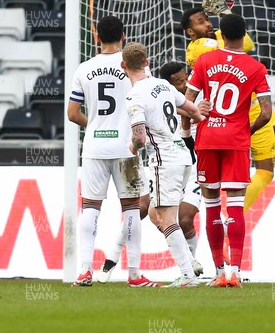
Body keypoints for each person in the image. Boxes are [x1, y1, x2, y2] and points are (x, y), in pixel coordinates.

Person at [67, 16, 158, 288]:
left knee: (91, 207)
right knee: (130, 209)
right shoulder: (135, 67)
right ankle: (134, 275)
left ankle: (84, 271)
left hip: (94, 147)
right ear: (123, 35)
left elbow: (72, 114)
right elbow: (150, 106)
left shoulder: (84, 69)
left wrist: (94, 125)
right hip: (127, 148)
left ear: (96, 35)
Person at [183, 13, 272, 288]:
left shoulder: (204, 61)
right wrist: (247, 129)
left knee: (210, 205)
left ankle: (218, 271)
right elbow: (267, 113)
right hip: (236, 141)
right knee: (234, 206)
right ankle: (235, 272)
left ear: (220, 33)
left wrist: (193, 124)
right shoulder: (256, 67)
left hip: (207, 140)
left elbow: (186, 102)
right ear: (244, 35)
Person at [182, 6, 275, 210]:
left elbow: (246, 42)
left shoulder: (217, 37)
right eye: (201, 22)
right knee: (264, 171)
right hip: (243, 112)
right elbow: (241, 44)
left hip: (239, 105)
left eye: (207, 19)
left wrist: (225, 13)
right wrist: (227, 19)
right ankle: (233, 216)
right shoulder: (201, 47)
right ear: (190, 31)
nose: (208, 24)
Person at [122, 42, 205, 288]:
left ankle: (188, 275)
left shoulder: (135, 95)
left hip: (163, 159)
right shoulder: (164, 84)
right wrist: (202, 118)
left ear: (123, 66)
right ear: (147, 62)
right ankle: (189, 267)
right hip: (183, 156)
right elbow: (191, 110)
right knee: (159, 214)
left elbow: (139, 137)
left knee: (166, 218)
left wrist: (133, 147)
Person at [159, 61, 206, 275]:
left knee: (185, 218)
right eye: (178, 82)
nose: (185, 84)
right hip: (169, 165)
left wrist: (194, 114)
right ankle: (111, 262)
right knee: (150, 213)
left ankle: (190, 267)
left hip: (196, 166)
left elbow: (191, 142)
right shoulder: (162, 103)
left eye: (186, 78)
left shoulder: (200, 100)